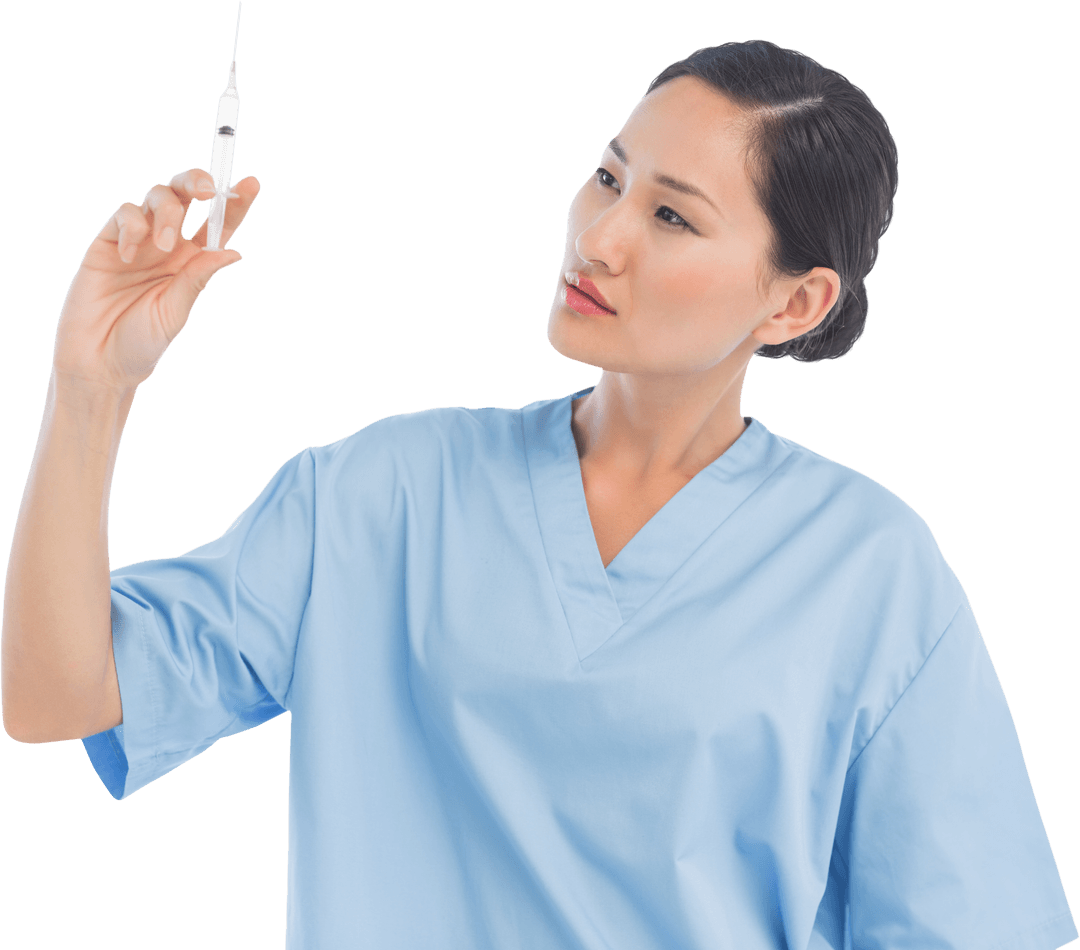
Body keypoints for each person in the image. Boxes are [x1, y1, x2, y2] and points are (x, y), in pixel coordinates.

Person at [2, 38, 1076, 950]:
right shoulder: (383, 493)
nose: (599, 237)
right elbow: (54, 700)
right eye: (608, 177)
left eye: (673, 218)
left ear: (796, 302)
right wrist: (89, 385)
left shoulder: (870, 569)